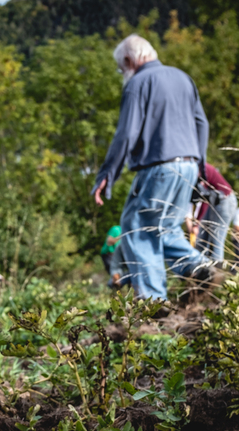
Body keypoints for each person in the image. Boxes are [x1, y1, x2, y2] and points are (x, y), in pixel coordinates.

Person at [93, 34, 216, 300]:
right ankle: (198, 267)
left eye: (120, 69)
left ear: (129, 60)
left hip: (159, 167)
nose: (121, 74)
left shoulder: (138, 83)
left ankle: (152, 301)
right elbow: (201, 124)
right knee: (166, 227)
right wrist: (201, 168)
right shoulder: (183, 78)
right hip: (189, 166)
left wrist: (107, 173)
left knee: (136, 226)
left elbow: (126, 133)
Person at [194, 164, 238, 263]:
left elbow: (205, 200)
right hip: (214, 203)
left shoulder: (203, 170)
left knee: (216, 239)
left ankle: (217, 273)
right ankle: (200, 267)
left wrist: (197, 223)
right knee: (202, 236)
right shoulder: (200, 169)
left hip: (225, 201)